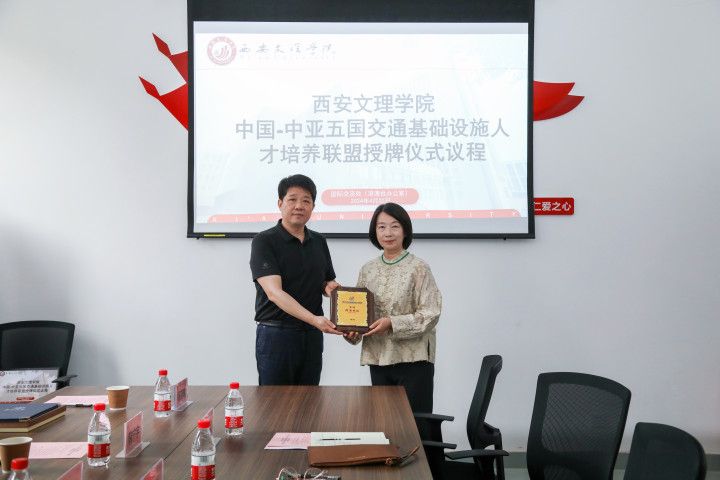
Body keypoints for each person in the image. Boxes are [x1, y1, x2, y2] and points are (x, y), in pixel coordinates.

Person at [345, 203, 442, 413]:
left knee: (415, 423)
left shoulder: (419, 268)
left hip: (413, 359)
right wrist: (352, 332)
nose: (388, 233)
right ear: (375, 231)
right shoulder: (367, 270)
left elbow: (431, 313)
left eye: (395, 226)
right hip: (378, 357)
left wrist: (392, 323)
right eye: (381, 227)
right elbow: (359, 314)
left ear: (405, 230)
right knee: (384, 421)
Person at [250, 174, 341, 386]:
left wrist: (331, 289)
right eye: (292, 199)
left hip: (312, 336)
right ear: (280, 203)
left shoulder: (319, 241)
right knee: (275, 401)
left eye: (306, 200)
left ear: (313, 206)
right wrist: (314, 319)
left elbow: (325, 281)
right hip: (277, 334)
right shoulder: (264, 241)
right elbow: (274, 293)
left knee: (310, 399)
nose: (299, 206)